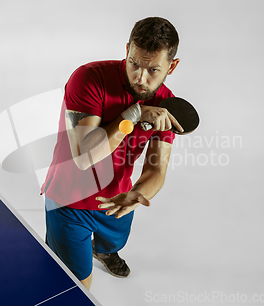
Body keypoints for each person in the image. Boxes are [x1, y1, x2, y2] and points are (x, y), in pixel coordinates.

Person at [40, 17, 182, 290]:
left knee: (113, 243)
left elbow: (156, 169)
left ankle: (104, 251)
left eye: (153, 69)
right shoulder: (88, 79)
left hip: (117, 199)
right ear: (127, 50)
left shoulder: (167, 103)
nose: (140, 77)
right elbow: (84, 157)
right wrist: (135, 113)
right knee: (75, 287)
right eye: (134, 63)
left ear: (172, 66)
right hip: (69, 202)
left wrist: (139, 193)